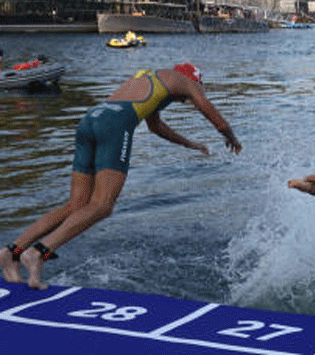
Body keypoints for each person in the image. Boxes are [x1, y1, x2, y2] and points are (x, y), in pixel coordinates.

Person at [1, 63, 242, 289]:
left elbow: (155, 126)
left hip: (90, 119)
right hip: (114, 125)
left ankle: (11, 252)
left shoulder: (148, 79)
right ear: (194, 80)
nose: (184, 100)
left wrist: (189, 144)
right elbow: (208, 109)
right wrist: (231, 137)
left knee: (76, 204)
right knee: (102, 206)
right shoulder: (185, 80)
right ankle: (38, 253)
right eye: (188, 94)